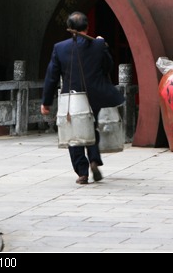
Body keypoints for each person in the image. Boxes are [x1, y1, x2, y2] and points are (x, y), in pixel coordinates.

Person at [41, 12, 124, 185]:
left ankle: (82, 172)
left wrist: (46, 102)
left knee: (74, 133)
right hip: (95, 95)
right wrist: (102, 45)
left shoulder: (59, 48)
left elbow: (52, 76)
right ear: (87, 27)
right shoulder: (98, 44)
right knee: (91, 126)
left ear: (69, 28)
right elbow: (108, 67)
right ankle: (94, 159)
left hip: (72, 96)